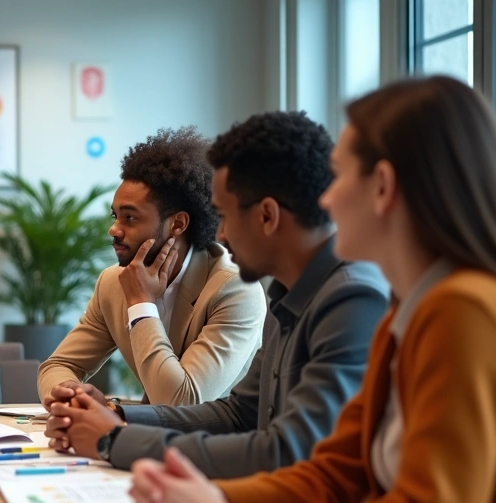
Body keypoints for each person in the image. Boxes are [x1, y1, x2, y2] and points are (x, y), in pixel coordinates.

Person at [129, 76, 496, 503]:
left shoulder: (465, 310)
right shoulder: (405, 311)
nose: (325, 198)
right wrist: (207, 499)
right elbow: (332, 476)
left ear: (383, 187)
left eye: (339, 176)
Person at [45, 112, 389, 479]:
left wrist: (113, 441)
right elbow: (239, 414)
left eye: (224, 216)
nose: (219, 234)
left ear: (267, 216)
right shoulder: (288, 294)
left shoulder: (350, 299)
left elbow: (286, 451)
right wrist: (118, 415)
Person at [38, 127, 266, 408]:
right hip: (148, 431)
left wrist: (141, 305)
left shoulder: (235, 290)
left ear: (178, 224)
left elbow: (182, 402)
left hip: (217, 435)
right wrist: (73, 396)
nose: (114, 229)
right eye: (115, 216)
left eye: (130, 218)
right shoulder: (113, 283)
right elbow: (58, 366)